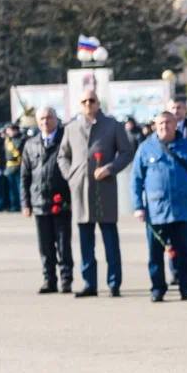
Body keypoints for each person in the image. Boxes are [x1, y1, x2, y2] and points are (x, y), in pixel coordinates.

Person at [58, 91, 134, 297]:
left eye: (92, 101)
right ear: (80, 104)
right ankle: (89, 284)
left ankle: (114, 283)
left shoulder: (112, 125)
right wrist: (71, 175)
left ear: (98, 103)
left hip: (105, 190)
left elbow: (127, 152)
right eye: (84, 101)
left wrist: (110, 168)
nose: (88, 104)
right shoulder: (71, 127)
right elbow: (62, 156)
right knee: (85, 242)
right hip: (81, 191)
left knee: (110, 240)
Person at [132, 110, 187, 302]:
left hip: (183, 211)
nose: (164, 126)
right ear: (154, 126)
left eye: (168, 123)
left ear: (175, 124)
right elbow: (136, 180)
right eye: (160, 124)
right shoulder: (145, 148)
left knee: (186, 252)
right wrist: (138, 206)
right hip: (156, 212)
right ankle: (157, 288)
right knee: (155, 254)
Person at [20, 107, 74, 293]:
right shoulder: (30, 144)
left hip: (61, 202)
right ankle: (49, 279)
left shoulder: (64, 140)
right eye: (41, 118)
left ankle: (66, 279)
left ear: (56, 119)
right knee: (45, 246)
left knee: (63, 244)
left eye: (48, 118)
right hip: (39, 202)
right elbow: (25, 176)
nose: (45, 122)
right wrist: (25, 203)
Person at [3, 124, 24, 212]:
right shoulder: (8, 140)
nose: (8, 132)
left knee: (20, 188)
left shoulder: (21, 139)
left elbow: (19, 151)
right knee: (12, 189)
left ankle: (22, 205)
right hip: (9, 167)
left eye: (9, 130)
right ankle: (14, 205)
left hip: (18, 166)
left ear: (15, 130)